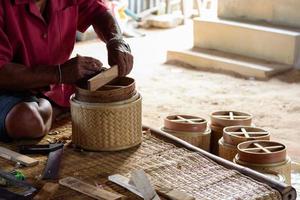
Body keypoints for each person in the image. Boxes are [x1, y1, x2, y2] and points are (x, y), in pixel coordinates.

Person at [0, 0, 133, 141]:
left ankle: (52, 103)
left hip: (54, 80)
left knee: (111, 91)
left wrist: (116, 40)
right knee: (27, 121)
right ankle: (54, 106)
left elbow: (97, 11)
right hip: (7, 86)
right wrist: (58, 73)